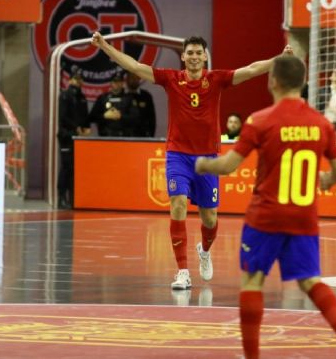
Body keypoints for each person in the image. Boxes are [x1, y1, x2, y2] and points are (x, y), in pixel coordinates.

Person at [91, 31, 291, 290]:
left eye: (199, 53)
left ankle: (204, 251)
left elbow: (251, 69)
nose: (195, 57)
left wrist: (279, 59)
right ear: (183, 57)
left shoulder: (216, 79)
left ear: (205, 57)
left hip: (207, 158)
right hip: (178, 155)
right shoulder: (170, 79)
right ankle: (183, 271)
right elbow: (134, 66)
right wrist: (105, 46)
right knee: (178, 205)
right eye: (190, 53)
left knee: (210, 219)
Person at [194, 55, 336, 359]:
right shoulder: (322, 123)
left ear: (272, 81)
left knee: (252, 281)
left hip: (266, 216)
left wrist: (204, 164)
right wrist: (325, 181)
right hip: (304, 217)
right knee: (310, 280)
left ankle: (252, 355)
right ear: (303, 83)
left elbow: (229, 166)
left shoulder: (260, 120)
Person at [57, 73, 91, 209]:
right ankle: (61, 197)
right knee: (66, 167)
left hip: (79, 137)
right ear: (70, 80)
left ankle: (73, 198)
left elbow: (85, 117)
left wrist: (86, 128)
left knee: (76, 168)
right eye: (76, 79)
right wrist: (76, 128)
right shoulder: (65, 95)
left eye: (80, 79)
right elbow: (63, 117)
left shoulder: (82, 97)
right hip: (67, 136)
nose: (78, 82)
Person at [89, 73, 135, 137]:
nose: (116, 84)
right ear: (111, 83)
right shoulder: (103, 98)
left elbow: (135, 118)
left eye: (119, 81)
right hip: (105, 136)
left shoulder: (128, 98)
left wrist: (121, 116)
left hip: (124, 137)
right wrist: (104, 116)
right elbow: (92, 117)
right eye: (114, 81)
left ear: (122, 83)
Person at [124, 71, 156, 137]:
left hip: (142, 135)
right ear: (127, 80)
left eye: (136, 78)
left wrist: (151, 136)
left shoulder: (146, 96)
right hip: (124, 135)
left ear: (139, 79)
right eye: (131, 78)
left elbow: (151, 118)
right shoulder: (122, 95)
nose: (134, 80)